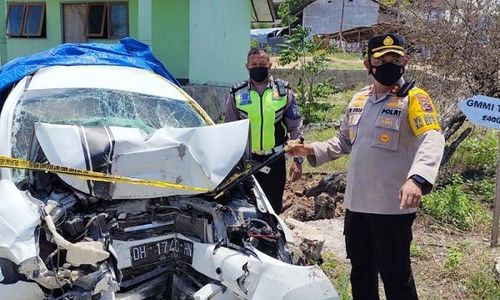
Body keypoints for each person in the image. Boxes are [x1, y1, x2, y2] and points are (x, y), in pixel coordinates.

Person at [287, 33, 445, 299]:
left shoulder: (414, 98)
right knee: (361, 272)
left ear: (405, 60)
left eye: (395, 58)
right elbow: (343, 142)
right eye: (381, 59)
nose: (389, 63)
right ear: (368, 64)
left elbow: (432, 137)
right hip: (357, 206)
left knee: (396, 276)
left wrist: (417, 179)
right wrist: (309, 149)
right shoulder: (359, 100)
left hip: (391, 208)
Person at [224, 47, 303, 214]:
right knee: (246, 209)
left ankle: (271, 238)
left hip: (275, 159)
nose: (258, 67)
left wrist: (298, 161)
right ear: (247, 66)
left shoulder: (283, 91)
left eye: (262, 63)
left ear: (270, 65)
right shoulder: (237, 94)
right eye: (254, 64)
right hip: (246, 161)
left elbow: (295, 129)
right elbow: (229, 130)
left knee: (273, 209)